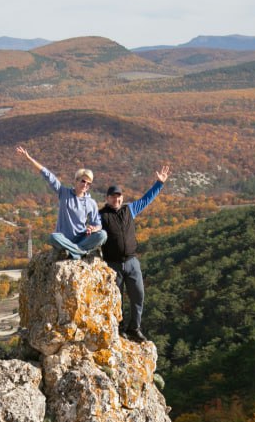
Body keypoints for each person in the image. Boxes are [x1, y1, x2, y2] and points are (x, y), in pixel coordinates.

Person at [99, 166, 169, 343]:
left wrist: (159, 183)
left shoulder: (129, 210)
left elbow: (147, 199)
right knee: (117, 300)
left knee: (138, 296)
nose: (116, 198)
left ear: (122, 197)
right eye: (113, 196)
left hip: (132, 262)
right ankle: (119, 329)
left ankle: (134, 328)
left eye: (119, 196)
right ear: (107, 198)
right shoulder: (101, 216)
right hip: (112, 264)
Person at [16, 145, 106, 259]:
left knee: (103, 235)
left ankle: (74, 251)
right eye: (83, 181)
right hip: (63, 238)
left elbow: (98, 224)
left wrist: (93, 229)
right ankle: (80, 252)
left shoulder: (91, 202)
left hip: (81, 238)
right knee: (53, 237)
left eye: (88, 183)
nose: (85, 185)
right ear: (76, 180)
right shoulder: (64, 193)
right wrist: (29, 159)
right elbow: (49, 176)